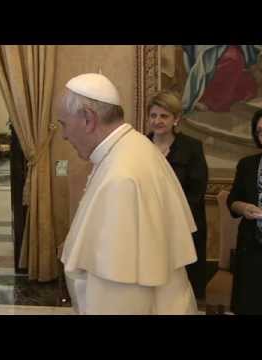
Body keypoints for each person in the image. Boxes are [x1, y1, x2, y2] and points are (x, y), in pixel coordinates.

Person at [59, 73, 198, 315]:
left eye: (63, 124)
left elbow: (120, 294)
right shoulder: (137, 147)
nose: (64, 135)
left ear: (88, 119)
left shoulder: (121, 177)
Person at [147, 90, 209, 300]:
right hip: (148, 225)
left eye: (164, 116)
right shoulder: (139, 146)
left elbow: (197, 191)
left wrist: (170, 216)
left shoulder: (192, 147)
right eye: (153, 115)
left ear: (176, 119)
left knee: (178, 289)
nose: (157, 121)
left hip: (182, 227)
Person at [227, 106, 262, 314]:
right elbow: (233, 200)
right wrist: (244, 207)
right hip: (253, 251)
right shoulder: (247, 165)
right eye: (260, 131)